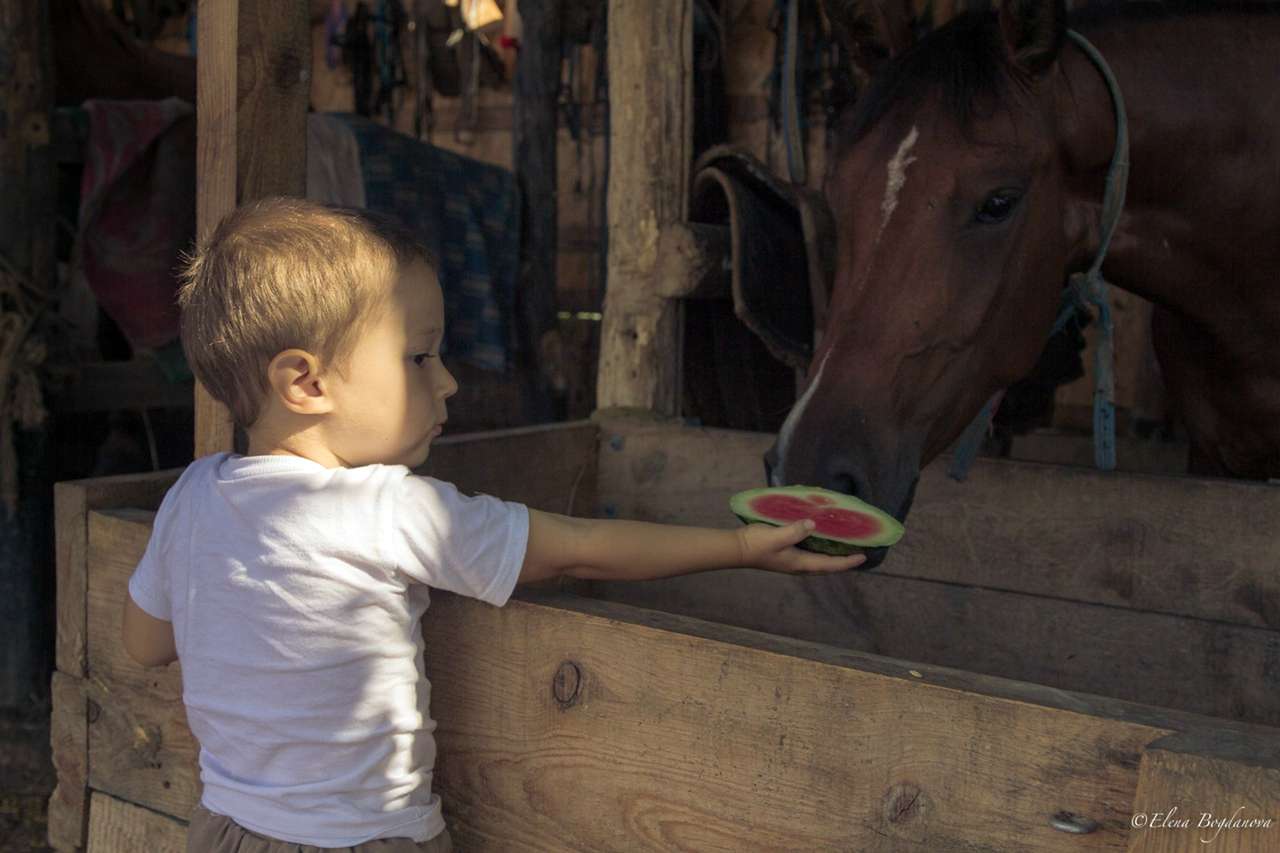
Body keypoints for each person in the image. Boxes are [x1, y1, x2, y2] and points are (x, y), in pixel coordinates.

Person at [121, 197, 865, 853]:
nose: (447, 380)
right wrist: (738, 545)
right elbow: (582, 549)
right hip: (365, 842)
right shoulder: (389, 508)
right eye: (418, 356)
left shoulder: (190, 497)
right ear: (306, 383)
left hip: (224, 831)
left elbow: (145, 641)